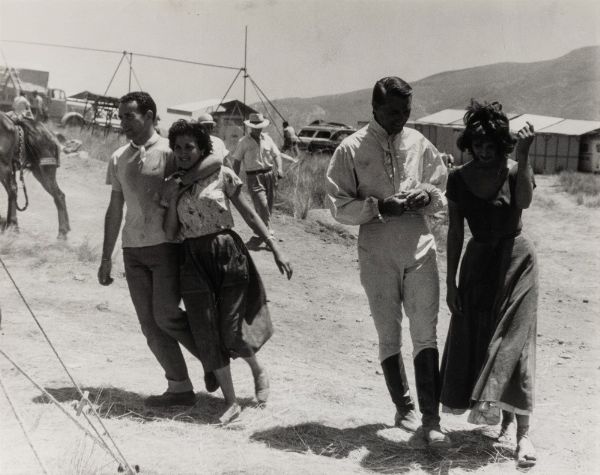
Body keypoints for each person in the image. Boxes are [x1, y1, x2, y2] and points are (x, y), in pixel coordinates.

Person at [326, 77, 450, 446]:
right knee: (388, 332)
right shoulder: (351, 149)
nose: (400, 118)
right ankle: (404, 407)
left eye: (406, 111)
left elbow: (439, 186)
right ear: (374, 108)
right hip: (377, 251)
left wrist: (424, 197)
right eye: (393, 111)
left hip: (419, 246)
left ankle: (431, 418)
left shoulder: (418, 143)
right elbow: (337, 205)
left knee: (426, 331)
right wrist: (380, 206)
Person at [163, 120, 293, 424]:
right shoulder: (173, 183)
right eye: (178, 147)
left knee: (231, 329)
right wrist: (172, 198)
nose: (183, 153)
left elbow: (248, 212)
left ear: (202, 149)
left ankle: (258, 370)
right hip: (192, 258)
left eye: (189, 147)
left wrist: (276, 248)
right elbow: (171, 232)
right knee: (205, 330)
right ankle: (231, 401)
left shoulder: (222, 174)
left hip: (227, 252)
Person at [98, 91, 222, 407]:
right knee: (150, 326)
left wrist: (179, 181)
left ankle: (213, 360)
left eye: (129, 115)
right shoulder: (118, 158)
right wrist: (105, 258)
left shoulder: (171, 150)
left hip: (167, 247)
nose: (122, 122)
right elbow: (115, 209)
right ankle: (179, 388)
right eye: (120, 116)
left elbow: (216, 159)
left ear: (150, 116)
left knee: (166, 315)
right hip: (132, 250)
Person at [440, 100, 538, 468]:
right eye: (477, 143)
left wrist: (525, 155)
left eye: (490, 144)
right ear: (469, 143)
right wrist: (450, 283)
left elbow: (524, 202)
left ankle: (523, 434)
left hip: (517, 261)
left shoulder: (515, 170)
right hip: (478, 265)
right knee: (484, 339)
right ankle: (502, 420)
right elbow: (453, 233)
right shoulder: (458, 178)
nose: (483, 150)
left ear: (502, 144)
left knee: (515, 344)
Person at [231, 113, 283, 248]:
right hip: (253, 177)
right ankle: (269, 235)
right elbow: (236, 161)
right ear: (250, 127)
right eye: (255, 127)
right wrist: (234, 178)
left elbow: (276, 155)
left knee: (268, 205)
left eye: (259, 127)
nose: (257, 129)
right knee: (262, 203)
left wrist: (280, 169)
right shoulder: (243, 142)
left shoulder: (268, 139)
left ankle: (260, 231)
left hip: (269, 175)